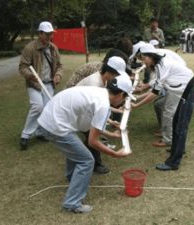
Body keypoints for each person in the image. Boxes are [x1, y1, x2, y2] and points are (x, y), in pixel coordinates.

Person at [37, 75, 134, 213]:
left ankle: (73, 179)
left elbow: (93, 125)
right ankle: (72, 203)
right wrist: (115, 154)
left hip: (49, 119)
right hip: (55, 126)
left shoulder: (99, 92)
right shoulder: (103, 104)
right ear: (121, 94)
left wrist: (112, 133)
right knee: (87, 160)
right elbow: (93, 142)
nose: (123, 101)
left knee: (76, 152)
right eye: (125, 97)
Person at [132, 44, 194, 171]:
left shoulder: (163, 65)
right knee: (176, 123)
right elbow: (154, 88)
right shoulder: (159, 65)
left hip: (189, 91)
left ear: (150, 56)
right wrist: (136, 99)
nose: (143, 62)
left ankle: (173, 162)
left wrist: (136, 105)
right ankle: (177, 148)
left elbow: (155, 93)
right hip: (183, 91)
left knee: (181, 126)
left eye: (143, 58)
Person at [76, 56, 129, 174]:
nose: (117, 80)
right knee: (93, 137)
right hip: (79, 113)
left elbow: (100, 105)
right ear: (110, 72)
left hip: (85, 111)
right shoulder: (94, 83)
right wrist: (111, 133)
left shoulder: (102, 80)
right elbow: (96, 111)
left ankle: (91, 161)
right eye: (117, 76)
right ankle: (95, 164)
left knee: (91, 137)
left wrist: (110, 121)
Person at [19, 21, 63, 150]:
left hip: (49, 83)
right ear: (40, 33)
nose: (50, 37)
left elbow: (60, 66)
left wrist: (58, 75)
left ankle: (40, 132)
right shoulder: (30, 48)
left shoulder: (53, 48)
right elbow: (23, 66)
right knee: (37, 107)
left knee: (47, 109)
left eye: (51, 34)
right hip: (34, 83)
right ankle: (25, 135)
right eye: (47, 34)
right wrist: (30, 76)